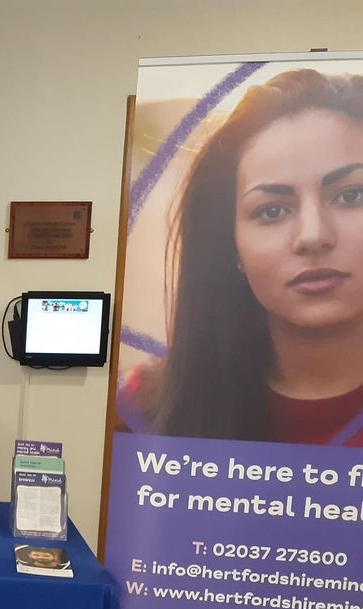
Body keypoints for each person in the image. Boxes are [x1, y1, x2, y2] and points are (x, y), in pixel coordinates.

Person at [118, 69, 363, 446]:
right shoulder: (144, 408)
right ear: (231, 244)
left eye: (350, 196)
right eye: (272, 210)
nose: (313, 236)